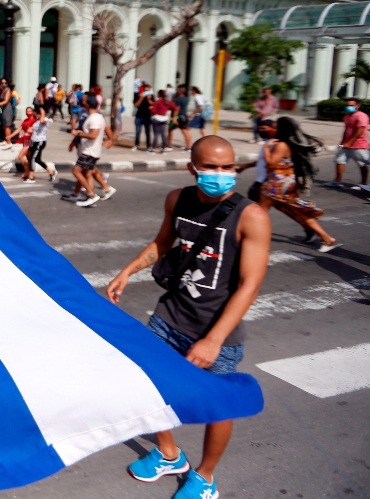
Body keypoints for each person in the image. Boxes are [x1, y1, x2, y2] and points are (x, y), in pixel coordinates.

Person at [106, 136, 271, 499]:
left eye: (228, 167)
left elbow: (249, 284)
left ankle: (206, 476)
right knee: (153, 387)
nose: (221, 174)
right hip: (169, 316)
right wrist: (127, 271)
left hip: (216, 330)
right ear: (192, 167)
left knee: (217, 405)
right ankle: (168, 454)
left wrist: (213, 340)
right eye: (211, 167)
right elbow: (164, 242)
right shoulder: (177, 199)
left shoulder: (252, 216)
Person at [259, 117, 341, 252]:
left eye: (274, 127)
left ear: (281, 129)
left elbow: (271, 164)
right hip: (287, 182)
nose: (271, 130)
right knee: (297, 211)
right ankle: (326, 238)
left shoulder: (282, 145)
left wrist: (267, 148)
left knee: (260, 211)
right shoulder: (289, 143)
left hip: (277, 184)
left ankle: (254, 238)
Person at [70, 94, 116, 207]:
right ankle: (90, 198)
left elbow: (93, 135)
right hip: (92, 150)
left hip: (89, 151)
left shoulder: (94, 118)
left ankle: (91, 195)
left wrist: (78, 133)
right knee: (88, 174)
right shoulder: (98, 116)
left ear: (87, 104)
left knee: (76, 171)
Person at [324, 97, 368, 189]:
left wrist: (349, 143)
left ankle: (364, 183)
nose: (349, 107)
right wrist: (342, 142)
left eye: (352, 105)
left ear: (358, 106)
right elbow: (346, 130)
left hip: (358, 145)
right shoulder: (347, 117)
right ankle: (337, 181)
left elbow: (359, 132)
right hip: (345, 144)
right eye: (348, 105)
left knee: (362, 163)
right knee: (339, 160)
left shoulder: (362, 116)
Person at [26, 105, 56, 183]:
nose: (34, 115)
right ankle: (51, 172)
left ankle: (31, 177)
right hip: (34, 142)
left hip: (40, 142)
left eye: (35, 113)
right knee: (37, 159)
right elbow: (34, 129)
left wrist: (42, 112)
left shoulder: (44, 119)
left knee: (32, 158)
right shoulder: (37, 121)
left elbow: (43, 121)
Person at [150, 89, 177, 154]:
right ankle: (164, 148)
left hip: (157, 118)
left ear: (159, 94)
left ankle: (153, 148)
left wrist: (150, 108)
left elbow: (154, 111)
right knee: (164, 134)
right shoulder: (168, 102)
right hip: (164, 119)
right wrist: (174, 117)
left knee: (156, 134)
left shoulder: (157, 102)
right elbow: (175, 108)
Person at [170, 84, 193, 152]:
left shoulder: (178, 99)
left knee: (170, 129)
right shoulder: (186, 98)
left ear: (180, 91)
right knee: (186, 131)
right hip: (184, 116)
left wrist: (174, 118)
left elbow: (177, 109)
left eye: (177, 90)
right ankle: (189, 146)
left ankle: (168, 145)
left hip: (178, 117)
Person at [132, 85, 153, 151]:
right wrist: (141, 98)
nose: (147, 92)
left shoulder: (151, 96)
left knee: (147, 132)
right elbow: (136, 105)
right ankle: (136, 145)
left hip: (147, 116)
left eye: (148, 90)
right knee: (138, 132)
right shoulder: (137, 95)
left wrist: (148, 99)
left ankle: (148, 146)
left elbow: (153, 104)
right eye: (146, 90)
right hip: (139, 116)